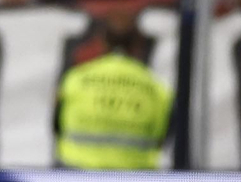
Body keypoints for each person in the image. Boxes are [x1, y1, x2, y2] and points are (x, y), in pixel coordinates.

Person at [54, 12, 172, 170]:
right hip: (135, 177)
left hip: (77, 173)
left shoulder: (76, 79)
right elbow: (165, 136)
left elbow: (57, 126)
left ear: (103, 42)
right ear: (138, 45)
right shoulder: (157, 88)